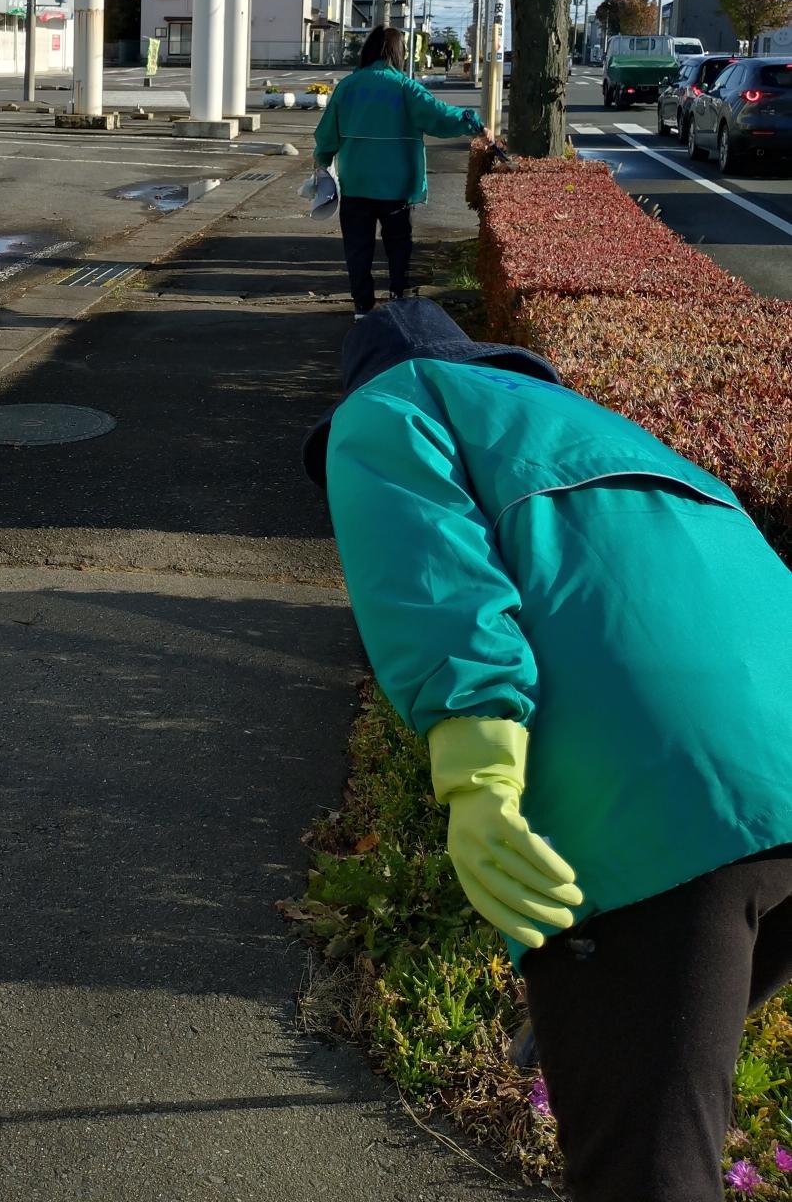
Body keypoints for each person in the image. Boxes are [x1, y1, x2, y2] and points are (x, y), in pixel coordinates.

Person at [303, 298, 792, 1202]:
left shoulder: (389, 408)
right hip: (775, 763)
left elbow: (439, 585)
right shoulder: (611, 427)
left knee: (648, 1174)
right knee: (665, 1059)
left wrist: (480, 784)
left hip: (663, 808)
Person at [313, 26, 493, 315]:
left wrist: (322, 158)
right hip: (398, 184)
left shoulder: (347, 87)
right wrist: (474, 123)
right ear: (398, 53)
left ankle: (362, 308)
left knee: (357, 248)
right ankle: (397, 297)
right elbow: (439, 115)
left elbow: (326, 134)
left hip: (356, 181)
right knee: (398, 244)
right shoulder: (405, 88)